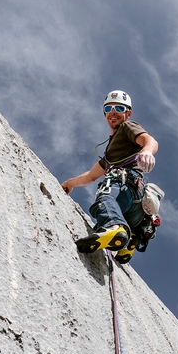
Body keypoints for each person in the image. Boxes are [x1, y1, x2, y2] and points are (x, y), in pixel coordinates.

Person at [61, 90, 159, 262]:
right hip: (134, 208)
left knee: (104, 199)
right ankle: (131, 241)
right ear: (105, 113)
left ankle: (115, 227)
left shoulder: (127, 127)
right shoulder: (110, 154)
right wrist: (71, 183)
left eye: (119, 108)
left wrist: (147, 152)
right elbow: (91, 175)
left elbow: (150, 140)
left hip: (124, 185)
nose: (113, 112)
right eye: (109, 108)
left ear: (128, 113)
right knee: (109, 215)